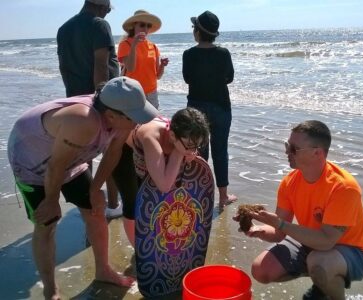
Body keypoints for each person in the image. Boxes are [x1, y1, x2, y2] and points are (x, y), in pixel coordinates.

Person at [7, 76, 158, 300]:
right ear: (111, 116)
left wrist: (95, 190)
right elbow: (55, 166)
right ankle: (51, 289)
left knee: (96, 211)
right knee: (47, 223)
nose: (139, 123)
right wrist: (50, 201)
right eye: (134, 117)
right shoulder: (83, 121)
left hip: (71, 158)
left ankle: (103, 270)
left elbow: (113, 153)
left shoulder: (120, 119)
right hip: (32, 162)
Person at [234, 120, 363, 300]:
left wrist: (280, 223)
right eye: (287, 145)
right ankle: (322, 285)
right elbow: (279, 232)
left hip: (353, 251)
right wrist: (258, 229)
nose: (287, 152)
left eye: (294, 148)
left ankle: (330, 291)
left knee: (319, 262)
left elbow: (326, 242)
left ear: (317, 153)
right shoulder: (290, 182)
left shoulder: (343, 187)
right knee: (261, 269)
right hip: (311, 242)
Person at [57, 0, 121, 216]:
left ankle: (88, 207)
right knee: (110, 152)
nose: (107, 15)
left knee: (84, 157)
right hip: (99, 101)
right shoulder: (99, 25)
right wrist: (101, 102)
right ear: (102, 7)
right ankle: (112, 205)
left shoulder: (64, 29)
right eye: (108, 11)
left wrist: (74, 98)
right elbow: (101, 65)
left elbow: (64, 68)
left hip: (75, 101)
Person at [119, 107, 209, 246]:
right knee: (132, 205)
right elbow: (164, 185)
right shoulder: (152, 138)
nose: (193, 151)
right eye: (190, 146)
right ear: (172, 136)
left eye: (197, 145)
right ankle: (137, 250)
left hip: (161, 147)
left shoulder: (183, 136)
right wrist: (179, 153)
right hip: (123, 150)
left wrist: (187, 149)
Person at [182, 10, 237, 207]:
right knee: (220, 151)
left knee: (199, 151)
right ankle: (223, 197)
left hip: (197, 108)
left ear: (197, 31)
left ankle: (200, 196)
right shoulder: (223, 53)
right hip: (221, 106)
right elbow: (229, 78)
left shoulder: (188, 54)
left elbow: (187, 78)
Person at [118, 9, 169, 109]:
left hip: (152, 93)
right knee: (133, 123)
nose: (145, 28)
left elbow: (158, 76)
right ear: (134, 26)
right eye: (142, 25)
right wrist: (134, 46)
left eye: (148, 26)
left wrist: (162, 65)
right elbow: (131, 68)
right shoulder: (125, 44)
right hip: (132, 91)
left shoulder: (153, 46)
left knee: (152, 123)